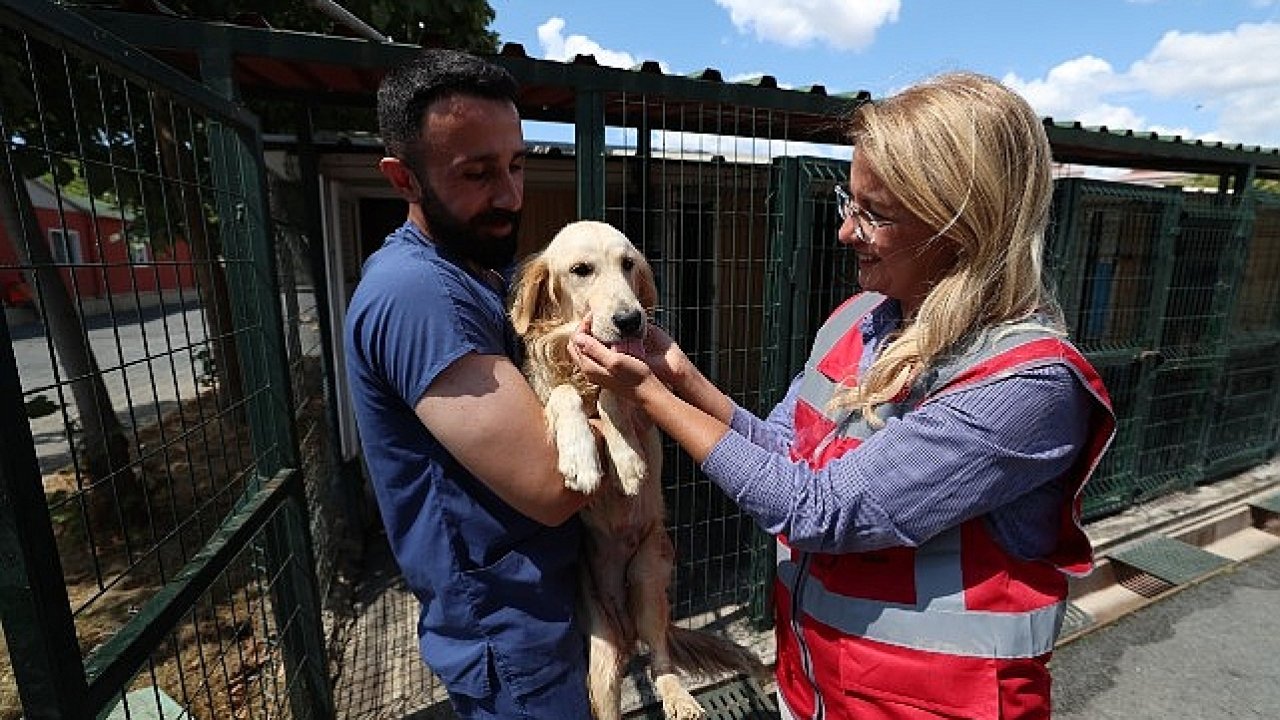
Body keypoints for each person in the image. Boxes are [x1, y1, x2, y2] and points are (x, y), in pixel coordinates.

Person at [570, 72, 1117, 720]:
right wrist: (679, 375)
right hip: (816, 690)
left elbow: (820, 511)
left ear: (960, 228)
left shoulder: (1024, 387)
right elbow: (783, 451)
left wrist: (652, 400)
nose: (844, 232)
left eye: (873, 214)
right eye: (846, 201)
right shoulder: (860, 320)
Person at [343, 49, 592, 720]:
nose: (510, 195)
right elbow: (554, 484)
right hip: (512, 635)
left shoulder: (478, 268)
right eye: (478, 174)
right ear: (404, 179)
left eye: (516, 164)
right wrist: (639, 393)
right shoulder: (419, 294)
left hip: (545, 611)